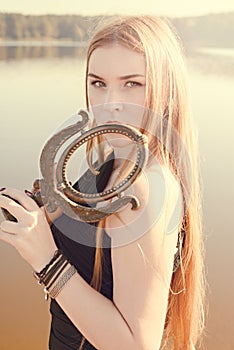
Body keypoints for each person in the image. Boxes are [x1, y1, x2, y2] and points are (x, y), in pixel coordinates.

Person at [0, 15, 206, 350]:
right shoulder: (115, 164)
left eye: (132, 84)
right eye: (98, 83)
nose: (111, 104)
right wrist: (43, 215)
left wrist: (46, 259)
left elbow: (137, 345)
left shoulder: (144, 188)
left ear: (166, 91)